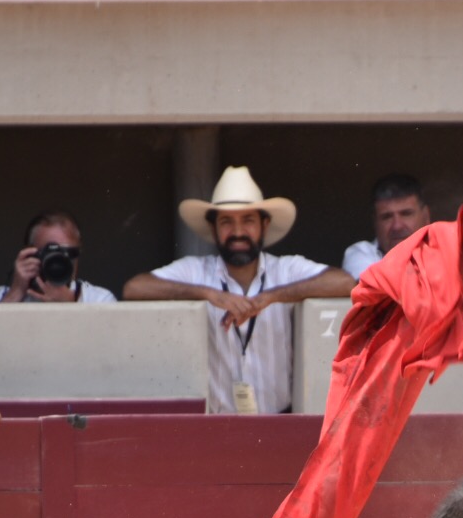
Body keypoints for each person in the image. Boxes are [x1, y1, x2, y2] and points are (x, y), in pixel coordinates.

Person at [122, 166, 356, 414]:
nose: (237, 232)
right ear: (213, 228)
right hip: (215, 425)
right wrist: (210, 294)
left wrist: (270, 297)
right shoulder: (196, 272)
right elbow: (134, 288)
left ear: (265, 225)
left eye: (248, 220)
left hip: (280, 421)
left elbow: (344, 283)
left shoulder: (285, 270)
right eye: (226, 222)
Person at [342, 173, 463, 284]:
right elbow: (373, 290)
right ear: (375, 222)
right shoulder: (361, 253)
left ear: (426, 216)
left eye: (406, 214)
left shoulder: (458, 250)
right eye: (386, 217)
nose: (397, 225)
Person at [0, 211, 116, 304]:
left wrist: (70, 307)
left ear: (77, 255)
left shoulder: (99, 300)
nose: (57, 261)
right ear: (28, 253)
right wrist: (16, 292)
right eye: (48, 252)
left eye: (66, 253)